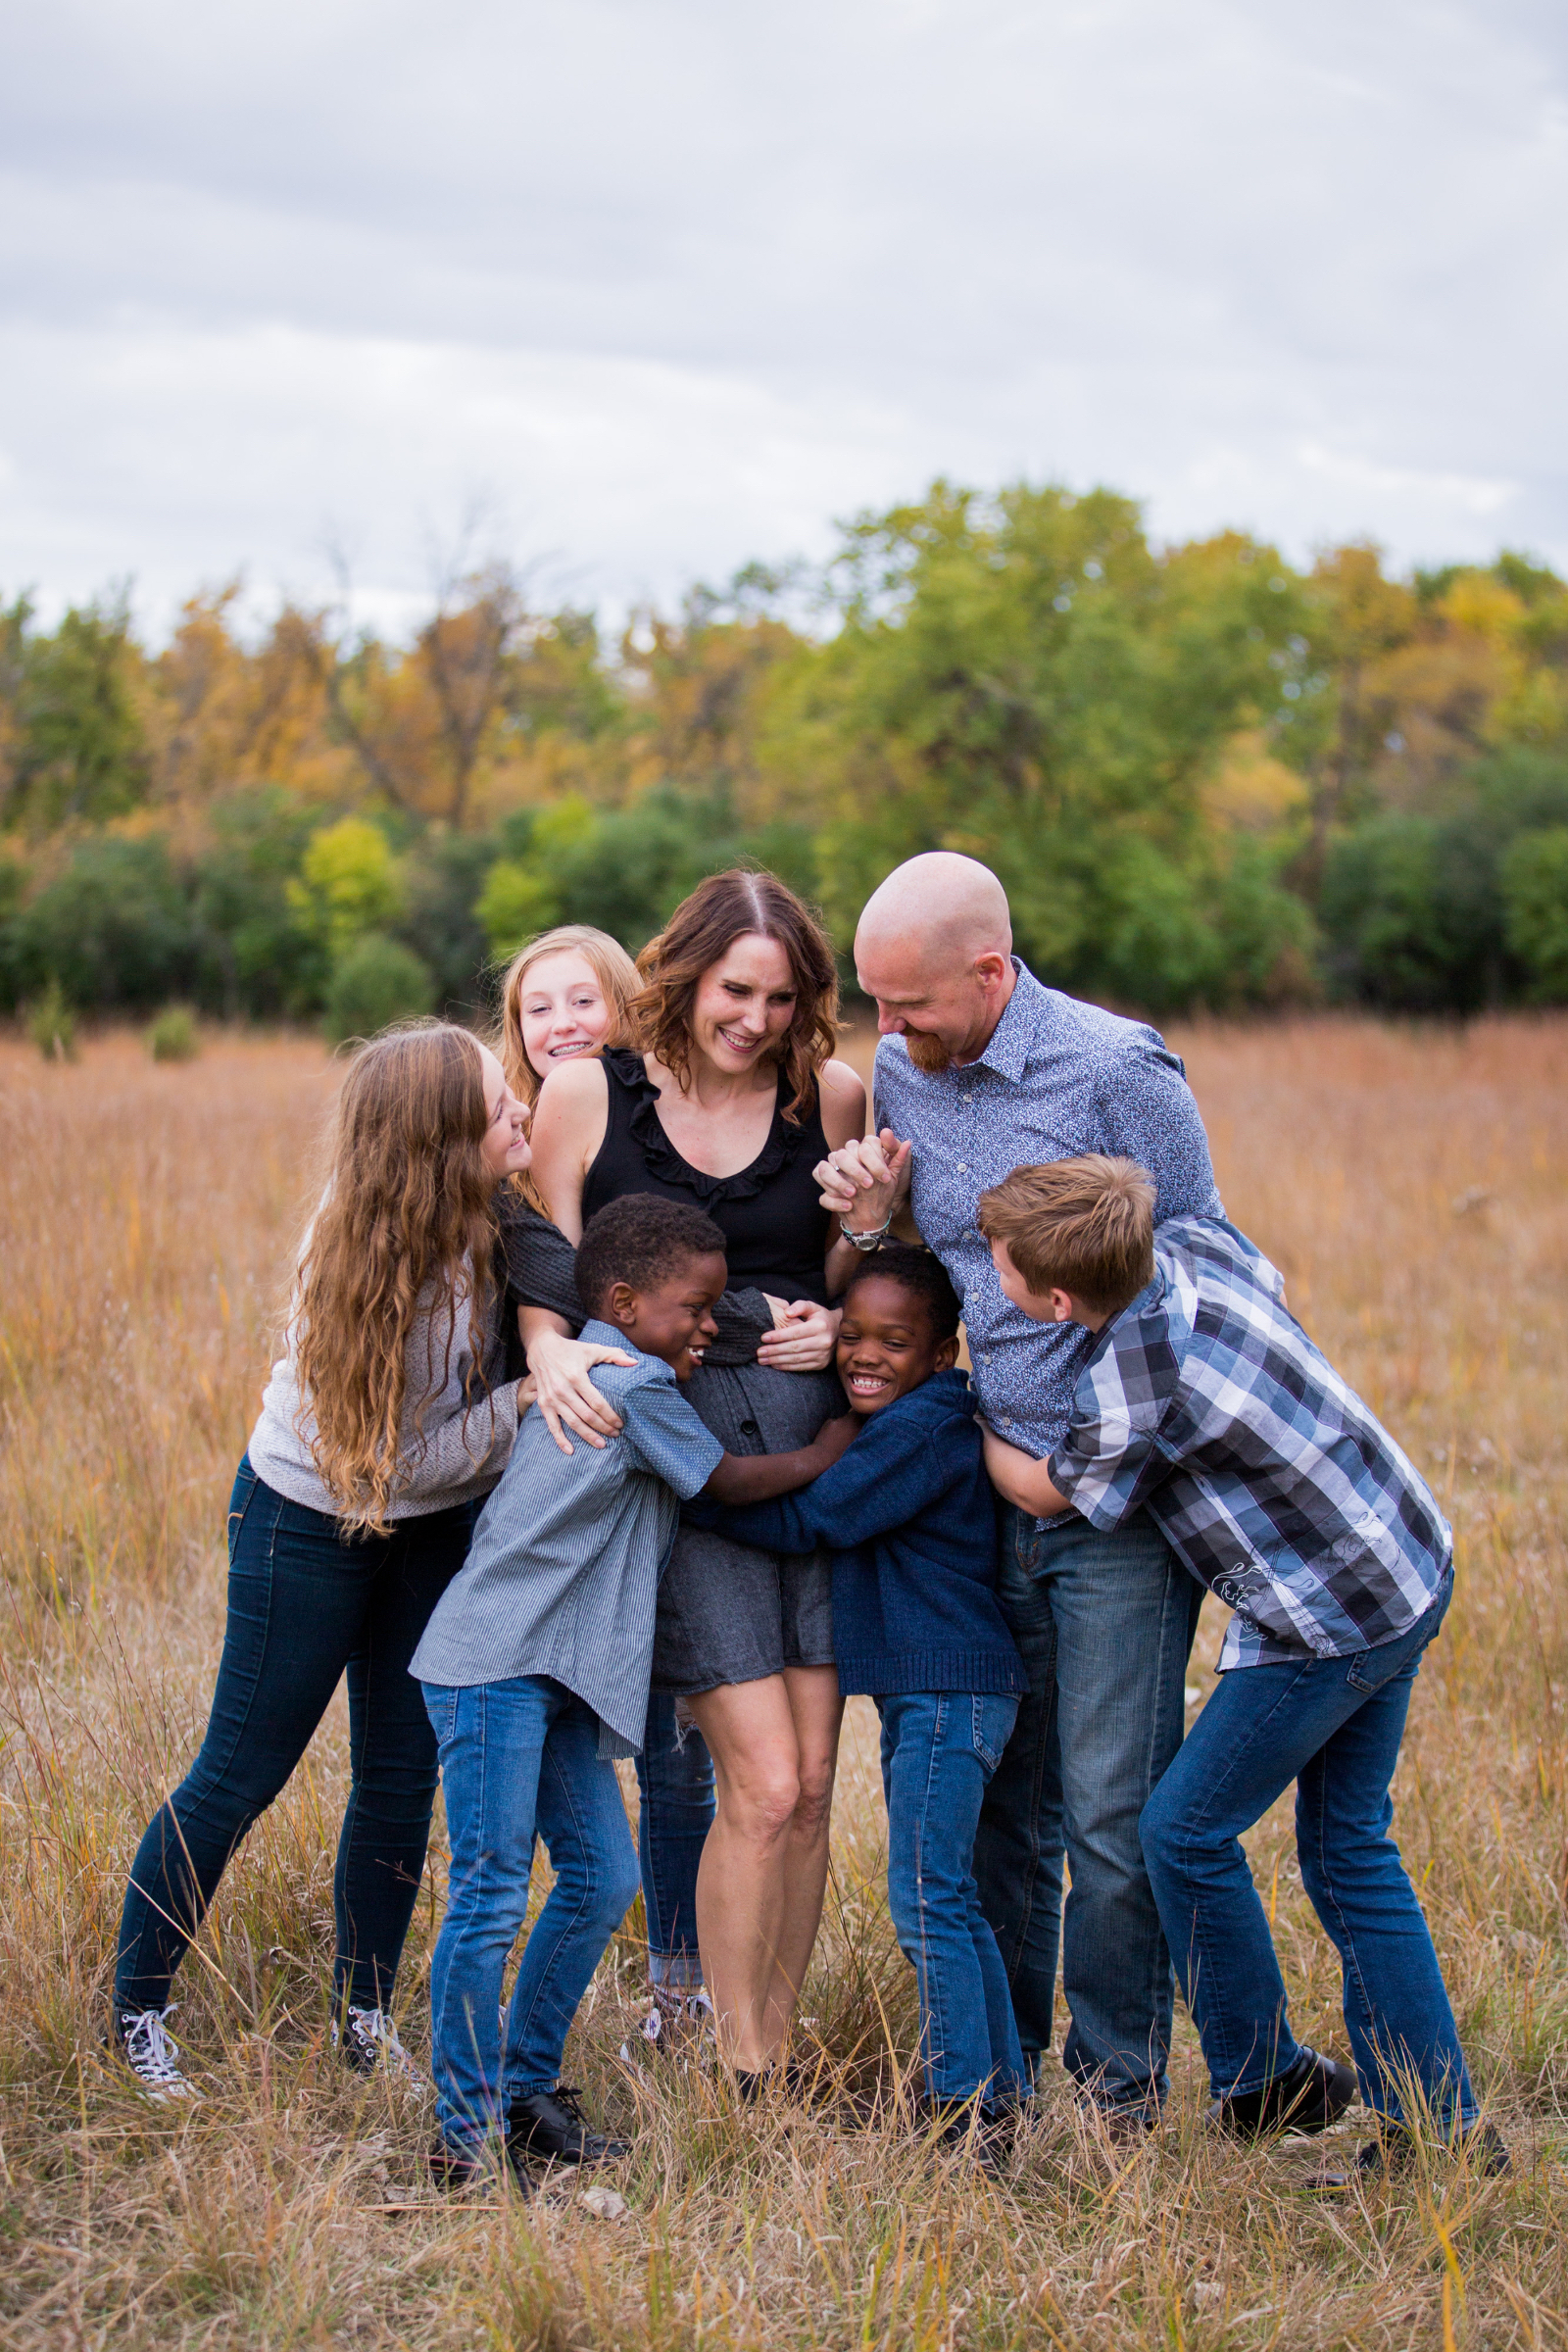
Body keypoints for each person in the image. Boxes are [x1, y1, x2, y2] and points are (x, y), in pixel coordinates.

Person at [110, 1022, 623, 2102]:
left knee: (398, 1781)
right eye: (497, 1105)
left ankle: (363, 2013)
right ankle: (138, 2012)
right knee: (240, 1774)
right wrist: (520, 1403)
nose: (521, 1110)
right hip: (312, 1520)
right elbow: (373, 1470)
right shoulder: (354, 1259)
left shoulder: (503, 1225)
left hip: (434, 1532)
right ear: (438, 1141)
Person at [976, 1155, 1507, 2183]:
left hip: (1332, 1620)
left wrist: (972, 1417)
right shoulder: (1192, 1249)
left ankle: (1265, 2078)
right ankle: (1440, 2131)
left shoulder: (1131, 1370)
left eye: (997, 1269)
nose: (988, 1281)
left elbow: (1050, 1493)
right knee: (1349, 1851)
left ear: (1053, 1299)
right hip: (1401, 1556)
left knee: (1178, 1832)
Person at [814, 851, 1220, 2133]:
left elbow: (1200, 1288)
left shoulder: (1117, 1074)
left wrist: (1088, 1468)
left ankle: (1119, 2102)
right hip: (992, 1490)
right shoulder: (900, 1073)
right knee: (1007, 1815)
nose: (886, 1032)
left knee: (1108, 1819)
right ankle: (1004, 2076)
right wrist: (880, 1228)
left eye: (909, 1004)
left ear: (992, 972)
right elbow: (949, 1283)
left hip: (1118, 1507)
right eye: (872, 1004)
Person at [413, 1195, 858, 2184]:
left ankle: (526, 2092)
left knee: (604, 1879)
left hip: (562, 1674)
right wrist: (832, 1450)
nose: (712, 1323)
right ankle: (462, 2132)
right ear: (623, 1300)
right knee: (488, 1896)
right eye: (696, 1307)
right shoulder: (630, 1375)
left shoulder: (622, 1359)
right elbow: (725, 1483)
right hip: (496, 1662)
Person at [524, 869, 866, 2072]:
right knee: (763, 1783)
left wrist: (847, 1307)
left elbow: (856, 1275)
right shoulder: (588, 1093)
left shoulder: (828, 1094)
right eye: (736, 989)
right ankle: (741, 2064)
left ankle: (774, 2039)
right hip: (683, 1475)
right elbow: (537, 1258)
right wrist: (542, 1355)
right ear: (686, 972)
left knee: (817, 1783)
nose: (757, 1019)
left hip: (817, 1468)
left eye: (782, 998)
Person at [686, 1246, 1029, 2148]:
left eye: (896, 1341)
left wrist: (693, 1493)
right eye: (856, 1336)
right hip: (942, 1690)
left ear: (941, 1355)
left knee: (926, 1895)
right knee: (945, 1891)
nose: (866, 1355)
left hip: (947, 1689)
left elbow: (818, 1516)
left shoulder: (924, 1428)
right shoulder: (916, 1418)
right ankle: (1000, 2094)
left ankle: (961, 2106)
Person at [495, 921, 719, 2052]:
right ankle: (576, 1949)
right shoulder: (520, 1126)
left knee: (673, 1730)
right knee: (567, 1725)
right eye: (539, 1008)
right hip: (565, 1448)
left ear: (629, 1007)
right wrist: (543, 1349)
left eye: (584, 1001)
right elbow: (547, 1257)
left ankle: (678, 1985)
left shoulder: (647, 1105)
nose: (563, 1025)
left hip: (650, 1427)